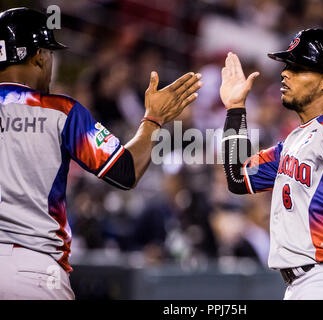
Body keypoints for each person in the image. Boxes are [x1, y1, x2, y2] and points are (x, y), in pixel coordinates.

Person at [0, 7, 202, 299]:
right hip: (32, 270)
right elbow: (125, 171)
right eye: (49, 54)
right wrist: (153, 120)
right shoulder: (61, 111)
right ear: (38, 56)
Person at [220, 28, 323, 300]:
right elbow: (238, 178)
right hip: (305, 283)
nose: (285, 73)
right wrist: (236, 107)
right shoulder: (293, 142)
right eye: (287, 66)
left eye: (298, 68)